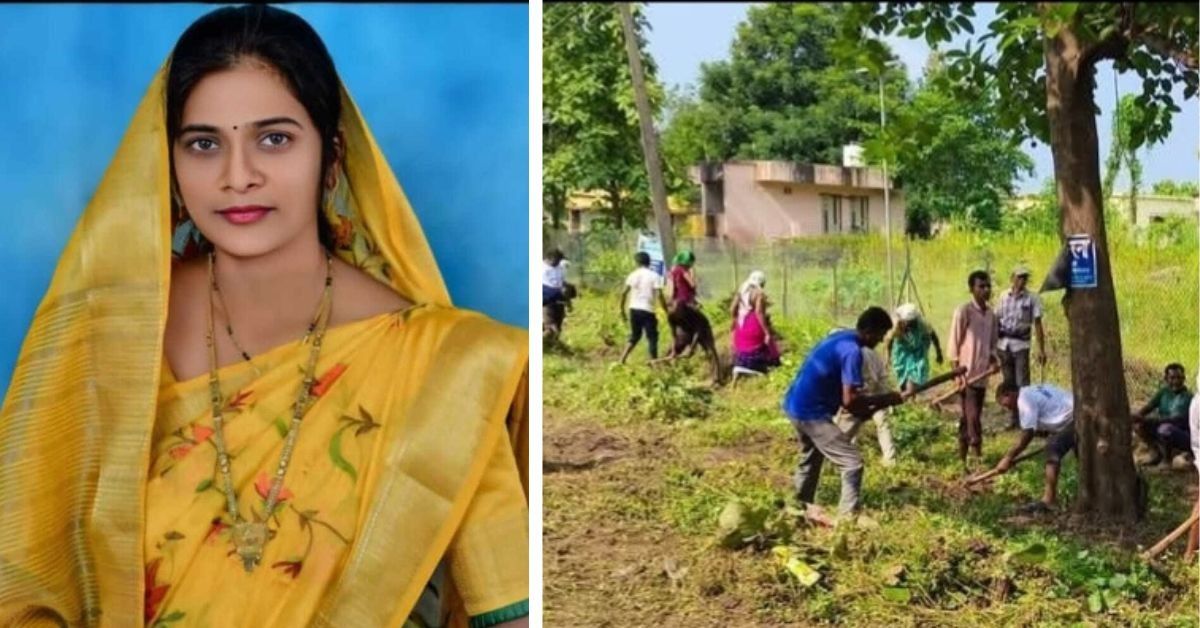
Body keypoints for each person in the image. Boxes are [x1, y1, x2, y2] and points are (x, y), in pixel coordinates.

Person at [0, 7, 528, 627]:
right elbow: (20, 580)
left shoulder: (447, 367)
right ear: (168, 164)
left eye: (274, 139)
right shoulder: (102, 334)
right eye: (204, 144)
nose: (238, 176)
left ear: (331, 157)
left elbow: (508, 605)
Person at [782, 307, 911, 517]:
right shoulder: (852, 352)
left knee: (811, 456)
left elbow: (851, 402)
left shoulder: (841, 337)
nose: (880, 341)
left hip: (794, 403)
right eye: (879, 335)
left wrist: (870, 407)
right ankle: (847, 517)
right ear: (868, 331)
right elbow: (850, 402)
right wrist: (885, 399)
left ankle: (798, 506)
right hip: (811, 413)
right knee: (852, 463)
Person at [987, 382, 1076, 514]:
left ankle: (1049, 500)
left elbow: (1027, 434)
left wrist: (1008, 458)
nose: (1008, 409)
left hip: (1074, 418)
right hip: (1075, 413)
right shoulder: (1030, 391)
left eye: (1005, 404)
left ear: (1008, 394)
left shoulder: (1024, 400)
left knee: (1052, 449)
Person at [948, 270, 1001, 470]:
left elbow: (992, 345)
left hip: (981, 377)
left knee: (969, 417)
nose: (986, 290)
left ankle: (961, 459)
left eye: (988, 286)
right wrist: (956, 374)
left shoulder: (991, 315)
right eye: (981, 286)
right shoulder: (964, 311)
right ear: (972, 289)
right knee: (973, 418)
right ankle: (977, 456)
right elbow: (954, 345)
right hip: (966, 376)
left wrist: (994, 362)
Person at [996, 265, 1048, 429]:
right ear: (1012, 278)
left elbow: (1037, 324)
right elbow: (996, 319)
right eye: (1019, 277)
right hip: (1003, 345)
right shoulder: (1003, 296)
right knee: (1009, 384)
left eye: (1024, 277)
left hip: (1021, 345)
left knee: (1023, 384)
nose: (1022, 281)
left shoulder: (1032, 298)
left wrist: (1041, 349)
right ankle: (1014, 419)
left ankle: (1027, 419)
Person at [835, 344, 898, 466]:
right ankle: (889, 459)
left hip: (866, 397)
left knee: (847, 429)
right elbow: (882, 377)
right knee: (882, 425)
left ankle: (844, 457)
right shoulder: (870, 354)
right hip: (871, 396)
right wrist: (886, 398)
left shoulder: (852, 355)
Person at [662, 250, 720, 384]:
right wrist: (675, 351)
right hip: (686, 306)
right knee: (680, 345)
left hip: (698, 323)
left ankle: (716, 378)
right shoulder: (673, 315)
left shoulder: (673, 271)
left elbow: (698, 330)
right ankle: (666, 373)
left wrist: (692, 348)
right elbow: (674, 335)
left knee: (707, 347)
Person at [1132, 363, 1194, 467]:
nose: (1176, 381)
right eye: (1172, 378)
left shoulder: (1187, 397)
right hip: (1161, 426)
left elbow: (1175, 420)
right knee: (1139, 425)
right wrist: (1137, 416)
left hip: (1182, 434)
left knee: (1165, 429)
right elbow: (1148, 407)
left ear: (1184, 379)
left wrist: (1149, 420)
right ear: (1166, 379)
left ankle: (1167, 459)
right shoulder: (1164, 392)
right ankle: (1155, 452)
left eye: (1179, 378)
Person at [618, 251, 669, 363]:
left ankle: (622, 359)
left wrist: (621, 310)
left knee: (635, 335)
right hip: (647, 310)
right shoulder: (654, 276)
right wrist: (666, 310)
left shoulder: (632, 275)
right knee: (652, 337)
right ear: (649, 262)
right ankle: (653, 361)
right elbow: (660, 295)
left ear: (637, 262)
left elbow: (624, 293)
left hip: (633, 309)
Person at [886, 303, 944, 396]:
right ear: (903, 321)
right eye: (908, 322)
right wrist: (888, 357)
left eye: (912, 322)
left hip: (918, 351)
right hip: (902, 352)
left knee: (915, 373)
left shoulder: (922, 324)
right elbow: (889, 341)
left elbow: (933, 335)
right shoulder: (896, 326)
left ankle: (911, 394)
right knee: (902, 376)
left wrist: (939, 352)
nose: (910, 324)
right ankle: (906, 394)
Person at [730, 270, 782, 374]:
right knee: (769, 342)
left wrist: (736, 321)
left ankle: (741, 364)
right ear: (761, 283)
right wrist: (766, 332)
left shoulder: (742, 290)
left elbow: (732, 309)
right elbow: (759, 312)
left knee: (741, 343)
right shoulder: (759, 294)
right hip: (753, 327)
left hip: (741, 326)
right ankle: (769, 366)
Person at [542, 248, 573, 339]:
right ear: (551, 258)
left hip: (559, 301)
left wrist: (568, 303)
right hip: (547, 301)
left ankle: (554, 343)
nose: (559, 262)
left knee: (558, 327)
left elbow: (562, 283)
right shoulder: (540, 268)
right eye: (558, 259)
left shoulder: (560, 268)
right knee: (551, 327)